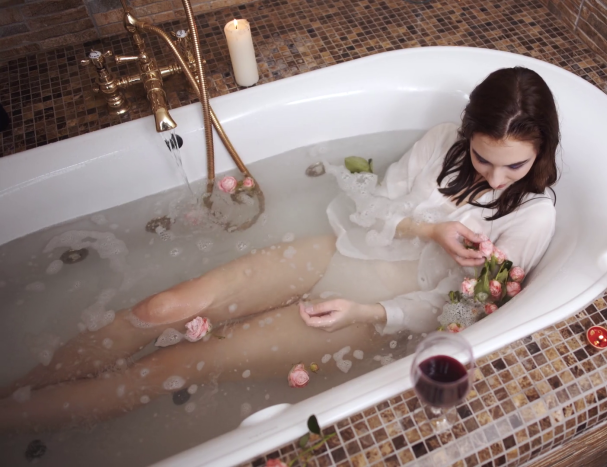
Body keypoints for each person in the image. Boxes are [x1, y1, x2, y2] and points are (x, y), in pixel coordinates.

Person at [0, 66, 560, 432]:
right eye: (485, 158)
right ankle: (16, 391)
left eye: (516, 164)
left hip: (360, 314)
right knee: (160, 310)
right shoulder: (444, 139)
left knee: (173, 363)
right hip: (335, 250)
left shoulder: (532, 219)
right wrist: (428, 230)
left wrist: (366, 312)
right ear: (469, 133)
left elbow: (457, 313)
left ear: (543, 150)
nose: (494, 177)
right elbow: (372, 204)